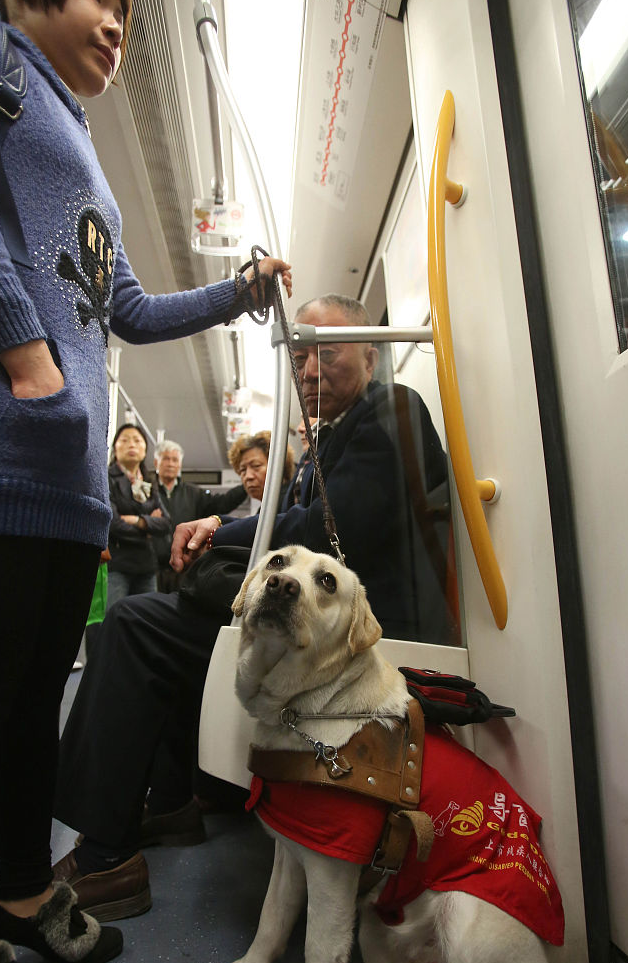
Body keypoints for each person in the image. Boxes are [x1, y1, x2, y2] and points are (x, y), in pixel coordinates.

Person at [0, 0, 291, 963]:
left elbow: (118, 303)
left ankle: (23, 890)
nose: (115, 24)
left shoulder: (83, 147)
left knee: (28, 707)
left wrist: (235, 291)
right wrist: (26, 359)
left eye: (125, 7)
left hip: (62, 481)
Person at [52, 294, 451, 921]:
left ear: (371, 352)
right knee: (157, 625)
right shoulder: (330, 436)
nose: (310, 368)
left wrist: (215, 526)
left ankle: (108, 856)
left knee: (135, 625)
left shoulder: (391, 411)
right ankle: (177, 797)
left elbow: (320, 529)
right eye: (300, 356)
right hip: (318, 624)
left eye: (328, 351)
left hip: (359, 633)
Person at [154, 440, 245, 592]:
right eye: (166, 459)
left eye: (174, 459)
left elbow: (222, 503)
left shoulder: (193, 493)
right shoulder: (148, 492)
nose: (170, 463)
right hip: (152, 569)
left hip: (185, 569)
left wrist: (245, 488)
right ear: (156, 463)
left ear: (180, 465)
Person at [106, 423, 169, 608]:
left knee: (146, 621)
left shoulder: (150, 481)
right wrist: (149, 526)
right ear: (115, 448)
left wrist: (138, 521)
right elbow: (113, 524)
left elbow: (166, 523)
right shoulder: (107, 478)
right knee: (114, 620)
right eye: (124, 440)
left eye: (137, 440)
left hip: (147, 565)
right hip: (117, 564)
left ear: (145, 450)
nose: (131, 445)